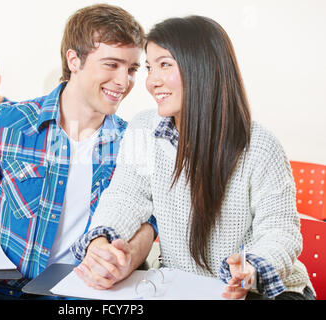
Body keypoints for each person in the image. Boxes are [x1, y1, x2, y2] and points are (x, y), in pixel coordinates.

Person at [0, 3, 156, 300]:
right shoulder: (7, 124)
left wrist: (128, 258)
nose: (124, 82)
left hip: (84, 294)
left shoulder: (129, 140)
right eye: (111, 65)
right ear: (74, 60)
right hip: (4, 290)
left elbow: (148, 222)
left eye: (132, 68)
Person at [72, 16, 316, 300]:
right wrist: (102, 239)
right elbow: (126, 197)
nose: (152, 81)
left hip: (264, 293)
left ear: (202, 68)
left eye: (165, 65)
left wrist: (252, 268)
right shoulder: (143, 128)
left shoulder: (259, 145)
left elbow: (281, 230)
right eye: (150, 68)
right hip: (186, 289)